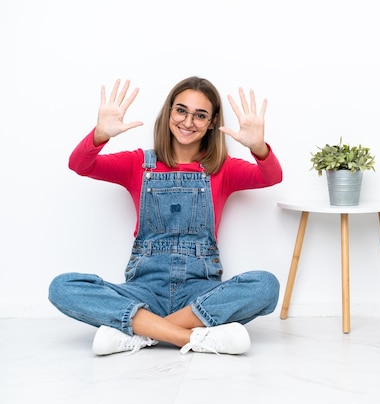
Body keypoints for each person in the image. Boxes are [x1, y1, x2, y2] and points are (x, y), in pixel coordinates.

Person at [48, 77, 283, 356]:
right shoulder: (138, 164)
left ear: (211, 122)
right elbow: (80, 165)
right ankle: (191, 337)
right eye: (181, 110)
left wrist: (258, 147)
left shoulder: (223, 169)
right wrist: (100, 135)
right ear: (169, 112)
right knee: (62, 287)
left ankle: (142, 332)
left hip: (198, 294)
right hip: (144, 292)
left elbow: (271, 177)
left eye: (200, 115)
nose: (188, 121)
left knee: (266, 285)